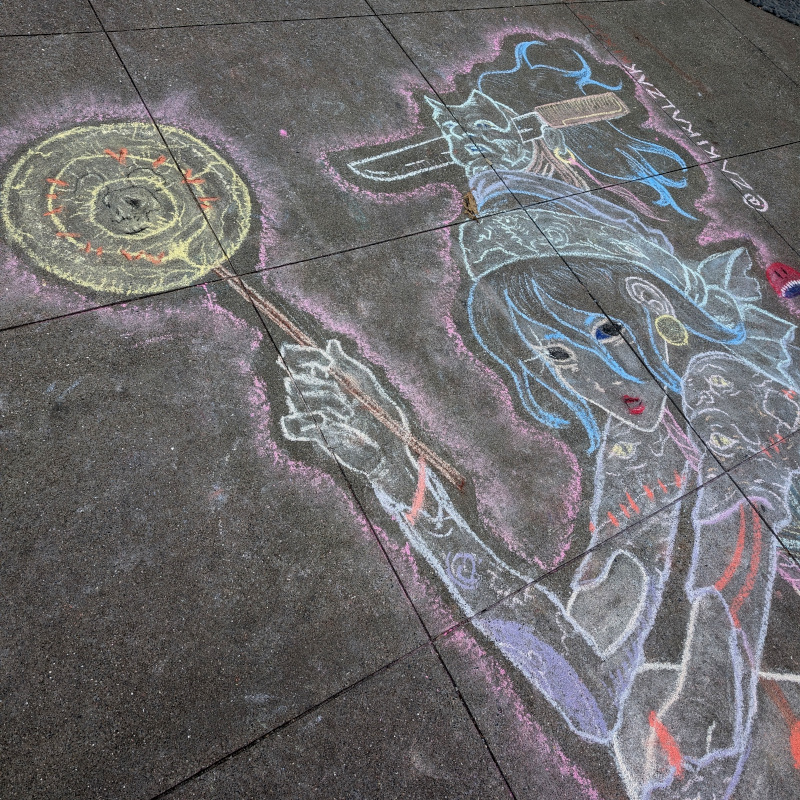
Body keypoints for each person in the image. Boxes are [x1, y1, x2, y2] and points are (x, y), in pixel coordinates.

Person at [279, 39, 800, 799]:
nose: (589, 380)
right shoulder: (643, 437)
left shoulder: (736, 389)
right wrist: (400, 472)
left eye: (597, 335)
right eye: (556, 358)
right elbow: (588, 687)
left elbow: (710, 727)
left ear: (657, 306)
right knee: (649, 726)